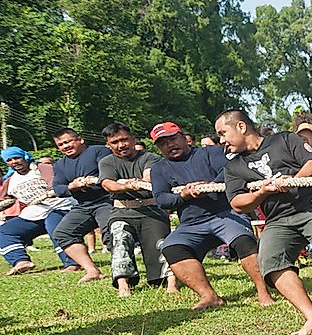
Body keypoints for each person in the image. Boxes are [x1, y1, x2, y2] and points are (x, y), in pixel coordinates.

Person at [216, 110, 312, 335]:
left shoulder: (284, 139)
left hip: (311, 206)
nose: (221, 140)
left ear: (241, 127)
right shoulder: (234, 167)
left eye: (223, 132)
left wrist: (293, 180)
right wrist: (263, 191)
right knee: (269, 261)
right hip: (277, 219)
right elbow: (238, 203)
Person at [148, 121, 275, 310]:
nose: (170, 145)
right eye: (163, 143)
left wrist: (206, 187)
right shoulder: (159, 168)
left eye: (173, 139)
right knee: (171, 247)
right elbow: (161, 199)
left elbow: (229, 173)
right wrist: (183, 195)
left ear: (183, 137)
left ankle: (263, 291)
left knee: (243, 241)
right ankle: (209, 296)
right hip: (191, 223)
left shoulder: (210, 153)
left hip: (226, 214)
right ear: (158, 147)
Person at [98, 123, 174, 296]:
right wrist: (127, 185)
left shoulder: (150, 157)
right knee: (119, 239)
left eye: (124, 139)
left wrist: (131, 183)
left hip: (152, 209)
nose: (121, 145)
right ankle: (123, 285)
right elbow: (107, 183)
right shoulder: (106, 162)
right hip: (121, 211)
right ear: (108, 145)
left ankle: (170, 283)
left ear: (133, 139)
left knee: (162, 244)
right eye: (115, 142)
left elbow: (149, 177)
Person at [50, 127, 114, 282]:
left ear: (80, 139)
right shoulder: (59, 165)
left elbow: (111, 172)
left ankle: (123, 271)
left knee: (111, 233)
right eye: (60, 145)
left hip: (107, 200)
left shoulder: (99, 152)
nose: (65, 146)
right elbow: (58, 188)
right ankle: (92, 271)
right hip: (83, 205)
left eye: (68, 142)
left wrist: (92, 180)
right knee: (63, 233)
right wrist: (72, 186)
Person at [0, 147, 76, 275]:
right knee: (5, 231)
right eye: (10, 160)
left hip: (58, 206)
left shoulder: (41, 168)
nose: (14, 161)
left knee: (54, 228)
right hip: (35, 212)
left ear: (24, 157)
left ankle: (72, 262)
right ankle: (21, 261)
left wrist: (49, 192)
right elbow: (6, 199)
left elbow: (54, 183)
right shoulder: (10, 180)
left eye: (17, 158)